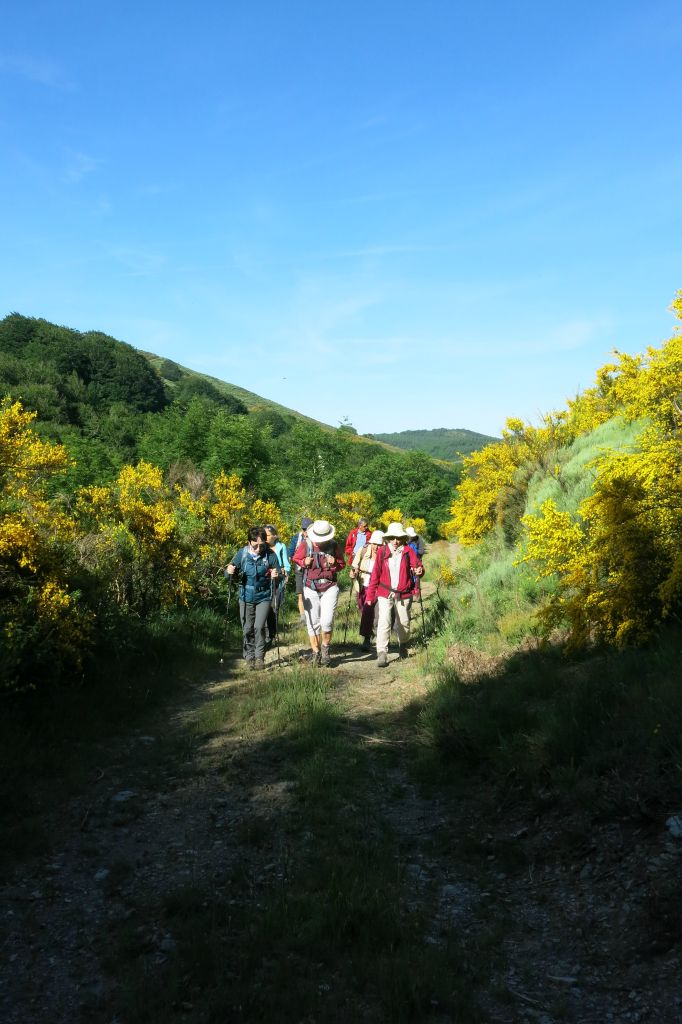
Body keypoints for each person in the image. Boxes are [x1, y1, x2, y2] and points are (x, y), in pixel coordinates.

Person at [364, 522, 424, 668]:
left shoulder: (408, 551)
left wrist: (420, 570)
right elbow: (375, 575)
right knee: (384, 621)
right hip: (385, 592)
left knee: (404, 623)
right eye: (392, 538)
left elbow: (418, 566)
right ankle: (382, 653)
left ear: (402, 538)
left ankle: (402, 645)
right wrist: (370, 596)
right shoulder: (382, 552)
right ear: (388, 538)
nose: (395, 541)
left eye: (398, 538)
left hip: (404, 594)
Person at [292, 519, 345, 667]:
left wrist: (334, 563)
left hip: (330, 587)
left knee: (326, 621)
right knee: (312, 622)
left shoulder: (334, 545)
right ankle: (316, 652)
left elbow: (342, 565)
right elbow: (296, 558)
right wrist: (304, 563)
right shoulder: (306, 544)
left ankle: (325, 649)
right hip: (311, 587)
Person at [225, 527, 279, 670]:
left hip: (264, 596)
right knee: (247, 628)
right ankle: (249, 657)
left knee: (259, 627)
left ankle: (259, 657)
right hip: (245, 596)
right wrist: (229, 571)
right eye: (255, 546)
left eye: (262, 545)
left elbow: (278, 574)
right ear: (249, 542)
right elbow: (229, 573)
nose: (259, 549)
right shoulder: (242, 554)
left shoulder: (270, 555)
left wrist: (276, 575)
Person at [349, 529, 384, 650]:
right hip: (363, 584)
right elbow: (354, 565)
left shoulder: (385, 555)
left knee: (375, 613)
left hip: (378, 587)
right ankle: (368, 635)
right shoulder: (363, 550)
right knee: (364, 611)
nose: (376, 547)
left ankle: (371, 639)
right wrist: (353, 572)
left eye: (379, 544)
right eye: (374, 544)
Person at [265, 525, 290, 645]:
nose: (266, 537)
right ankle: (265, 635)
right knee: (265, 607)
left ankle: (272, 634)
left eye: (268, 535)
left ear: (274, 536)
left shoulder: (281, 546)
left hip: (278, 580)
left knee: (274, 607)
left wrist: (286, 570)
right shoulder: (261, 547)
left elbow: (286, 563)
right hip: (265, 581)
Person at [288, 517, 313, 621]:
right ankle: (303, 617)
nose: (305, 531)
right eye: (304, 529)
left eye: (307, 529)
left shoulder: (317, 539)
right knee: (300, 593)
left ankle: (312, 614)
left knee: (311, 591)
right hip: (299, 568)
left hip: (312, 569)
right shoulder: (296, 538)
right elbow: (290, 552)